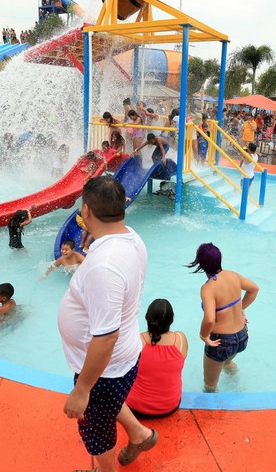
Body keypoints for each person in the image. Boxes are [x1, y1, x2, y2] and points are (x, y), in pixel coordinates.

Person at [57, 177, 157, 470]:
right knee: (109, 404)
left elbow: (105, 337)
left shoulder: (104, 265)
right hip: (121, 357)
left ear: (86, 211)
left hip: (105, 368)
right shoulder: (132, 238)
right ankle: (139, 433)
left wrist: (81, 390)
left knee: (98, 433)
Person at [188, 242, 259, 393]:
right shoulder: (233, 275)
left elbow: (209, 319)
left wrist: (204, 336)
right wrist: (240, 309)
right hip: (242, 336)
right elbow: (254, 289)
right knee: (227, 362)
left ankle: (217, 406)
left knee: (210, 386)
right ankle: (238, 388)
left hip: (222, 341)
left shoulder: (208, 288)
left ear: (201, 264)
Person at [124, 299, 188, 418]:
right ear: (172, 320)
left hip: (136, 408)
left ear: (146, 317)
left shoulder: (137, 341)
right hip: (170, 407)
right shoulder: (180, 339)